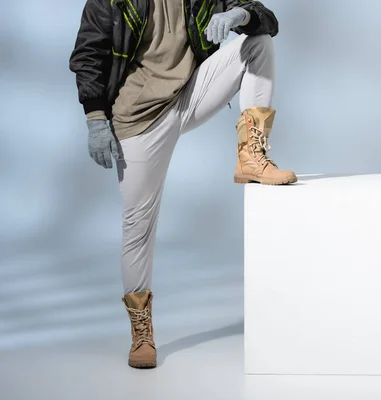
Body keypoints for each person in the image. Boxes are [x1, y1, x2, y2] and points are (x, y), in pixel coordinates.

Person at [69, 0, 296, 369]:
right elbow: (87, 52)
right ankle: (141, 331)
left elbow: (265, 18)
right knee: (137, 228)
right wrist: (95, 117)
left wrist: (240, 15)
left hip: (187, 96)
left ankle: (251, 154)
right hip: (137, 120)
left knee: (258, 43)